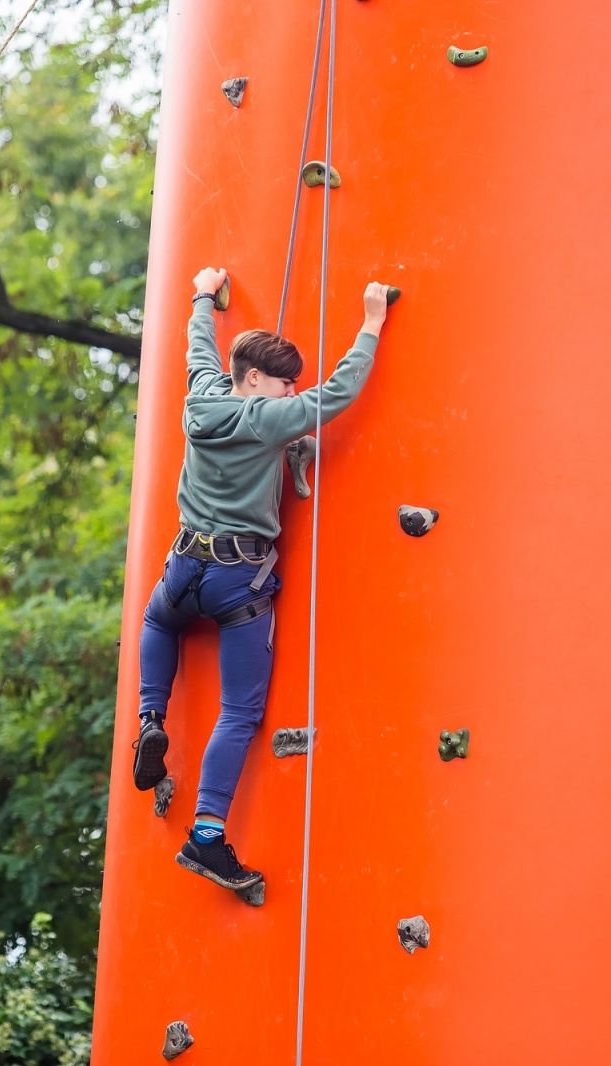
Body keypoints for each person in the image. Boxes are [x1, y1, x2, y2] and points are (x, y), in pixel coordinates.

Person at [132, 265, 392, 892]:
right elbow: (337, 393)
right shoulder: (267, 417)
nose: (290, 391)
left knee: (157, 619)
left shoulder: (204, 393)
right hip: (237, 580)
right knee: (241, 713)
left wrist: (201, 296)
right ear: (253, 379)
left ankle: (149, 716)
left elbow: (199, 347)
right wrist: (372, 322)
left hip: (184, 563)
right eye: (283, 382)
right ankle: (207, 836)